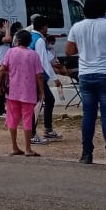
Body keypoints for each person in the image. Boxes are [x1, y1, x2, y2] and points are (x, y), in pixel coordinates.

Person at [65, 0, 106, 167]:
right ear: (104, 8)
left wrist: (86, 47)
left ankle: (86, 154)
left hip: (85, 74)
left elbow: (69, 50)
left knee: (88, 116)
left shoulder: (77, 27)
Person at [0, 29, 45, 156]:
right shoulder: (34, 55)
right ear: (29, 42)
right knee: (27, 119)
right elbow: (39, 75)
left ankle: (14, 146)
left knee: (12, 119)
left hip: (12, 91)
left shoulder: (10, 52)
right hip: (28, 93)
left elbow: (2, 69)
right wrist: (41, 91)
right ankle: (28, 148)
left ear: (17, 40)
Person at [29, 15, 62, 144]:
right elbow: (43, 62)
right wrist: (55, 78)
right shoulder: (39, 40)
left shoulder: (31, 37)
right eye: (47, 26)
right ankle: (33, 133)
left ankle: (46, 129)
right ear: (43, 27)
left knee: (46, 101)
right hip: (38, 76)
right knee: (38, 104)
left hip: (32, 76)